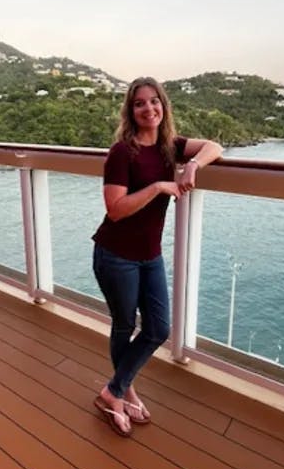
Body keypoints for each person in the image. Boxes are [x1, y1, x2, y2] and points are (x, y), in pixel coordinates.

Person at [92, 77, 223, 436]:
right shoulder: (123, 152)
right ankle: (122, 392)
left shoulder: (171, 147)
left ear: (163, 106)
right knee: (124, 325)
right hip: (115, 254)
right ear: (130, 111)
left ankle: (114, 391)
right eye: (139, 103)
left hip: (150, 255)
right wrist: (158, 187)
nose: (148, 108)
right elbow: (116, 209)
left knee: (158, 328)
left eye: (154, 102)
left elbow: (215, 145)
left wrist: (193, 165)